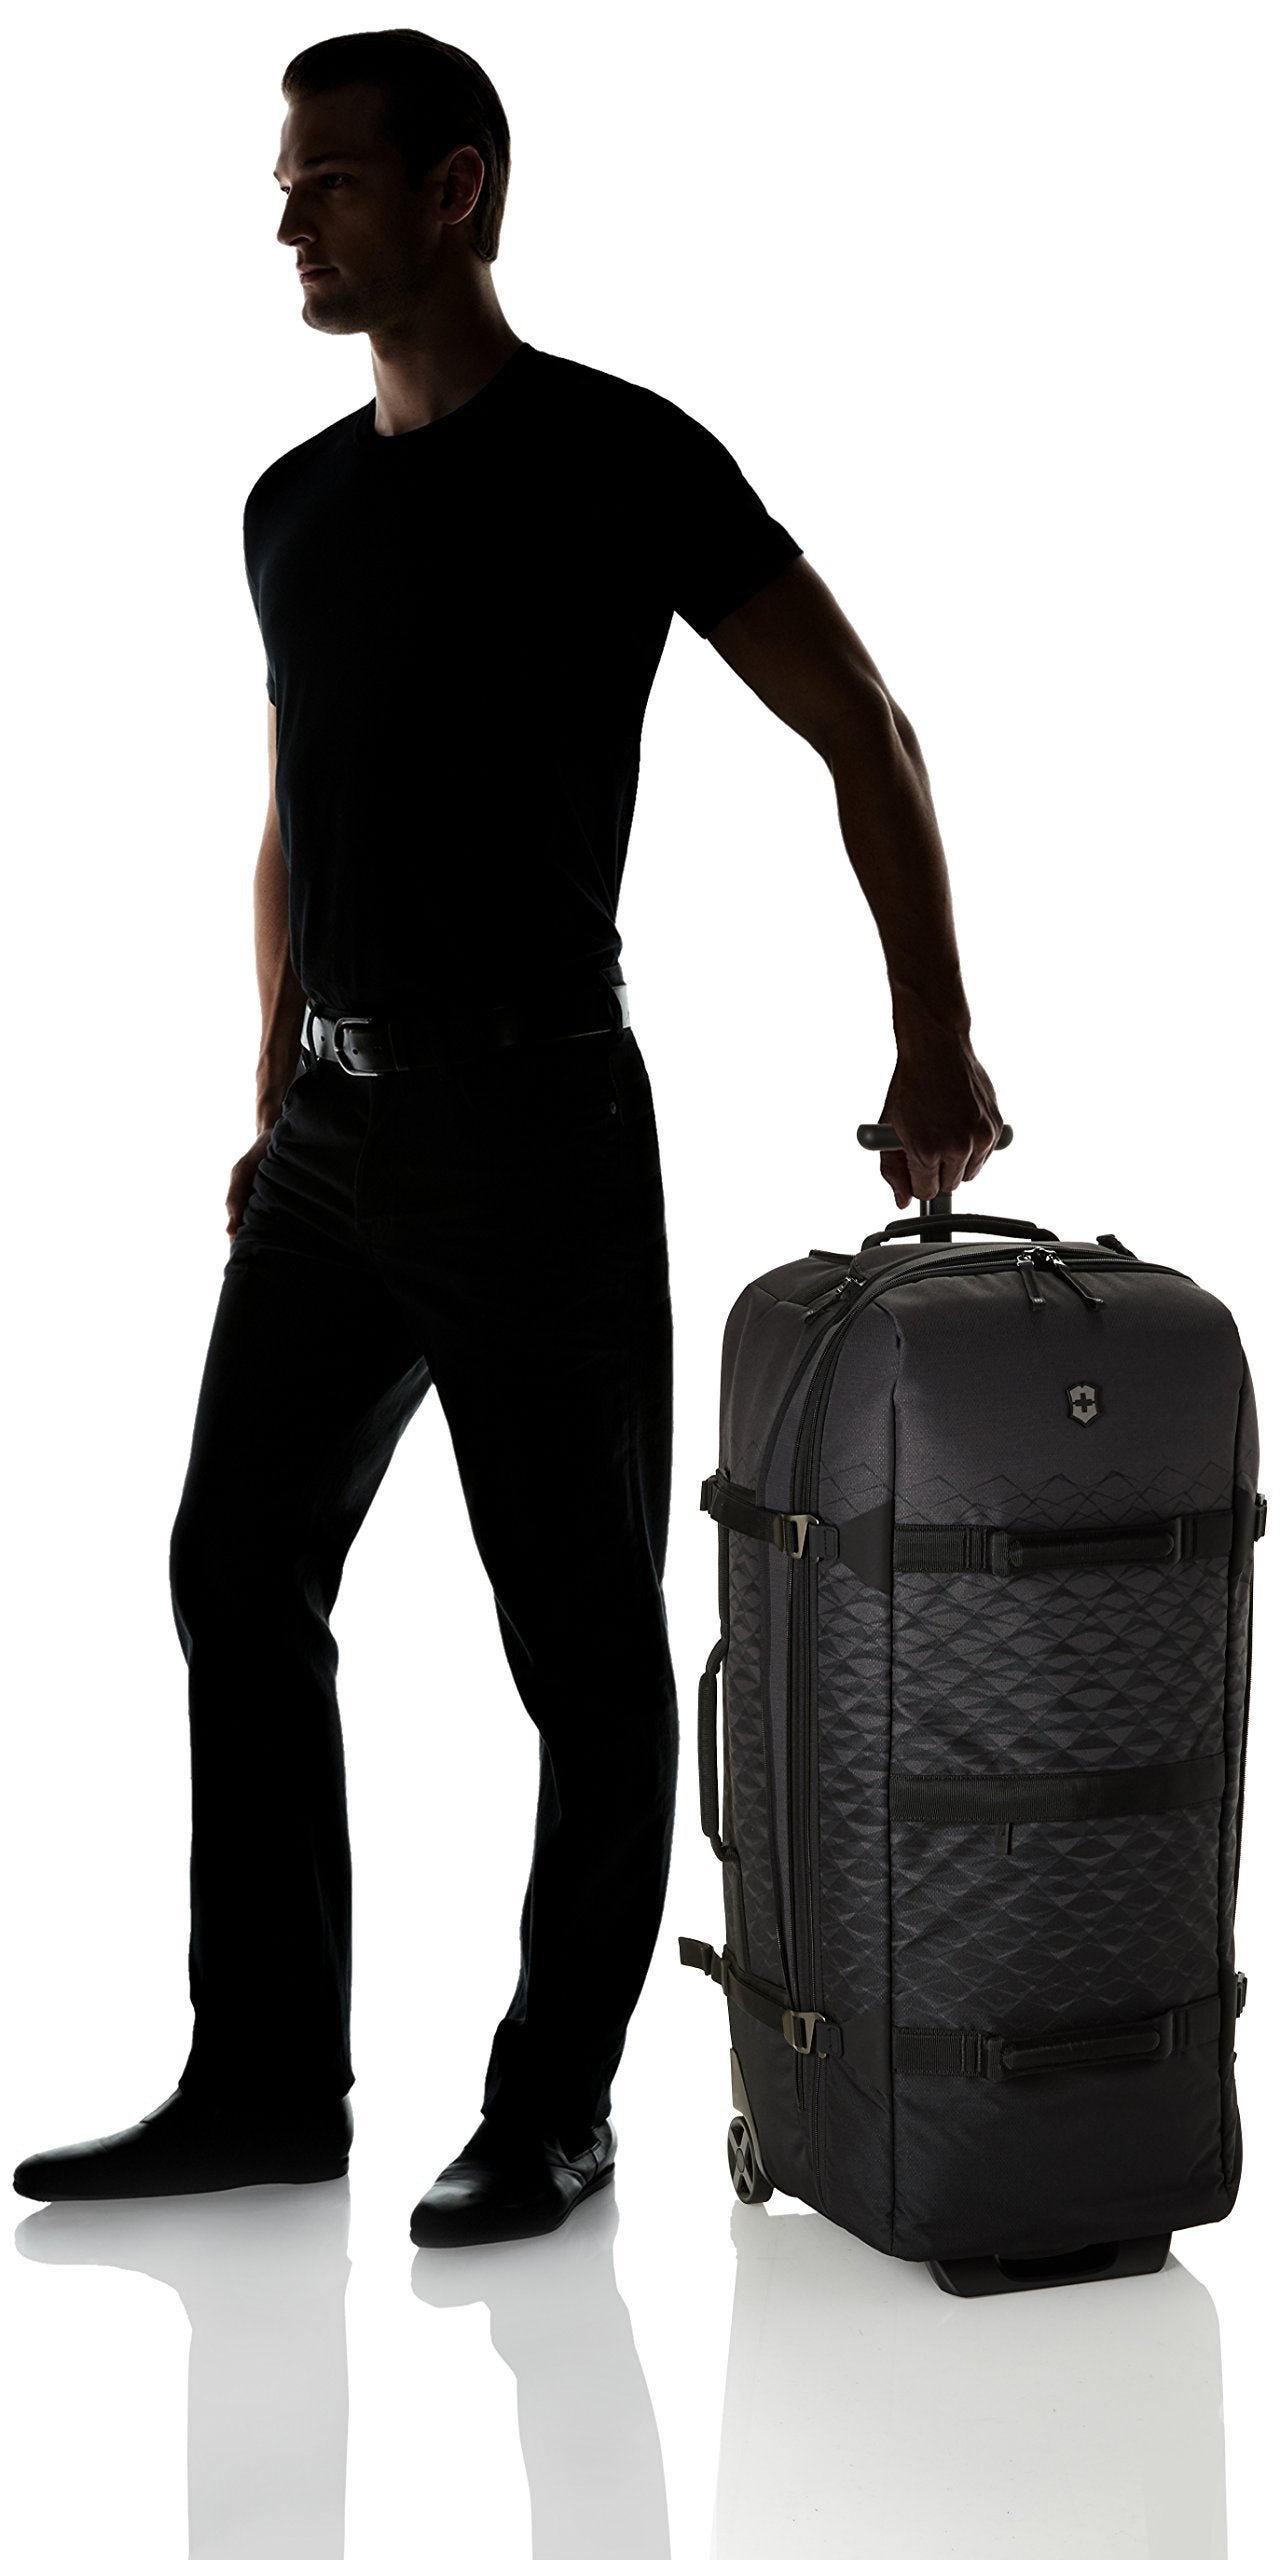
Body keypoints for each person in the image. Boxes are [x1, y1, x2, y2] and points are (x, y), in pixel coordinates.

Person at [14, 31, 1002, 2244]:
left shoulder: (624, 458)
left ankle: (555, 2106)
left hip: (537, 1121)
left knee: (576, 1636)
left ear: (456, 190)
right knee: (229, 1566)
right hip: (332, 1139)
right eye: (284, 183)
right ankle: (267, 2080)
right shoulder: (290, 505)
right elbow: (297, 815)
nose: (289, 219)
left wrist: (934, 1034)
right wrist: (269, 1096)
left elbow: (863, 724)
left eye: (331, 182)